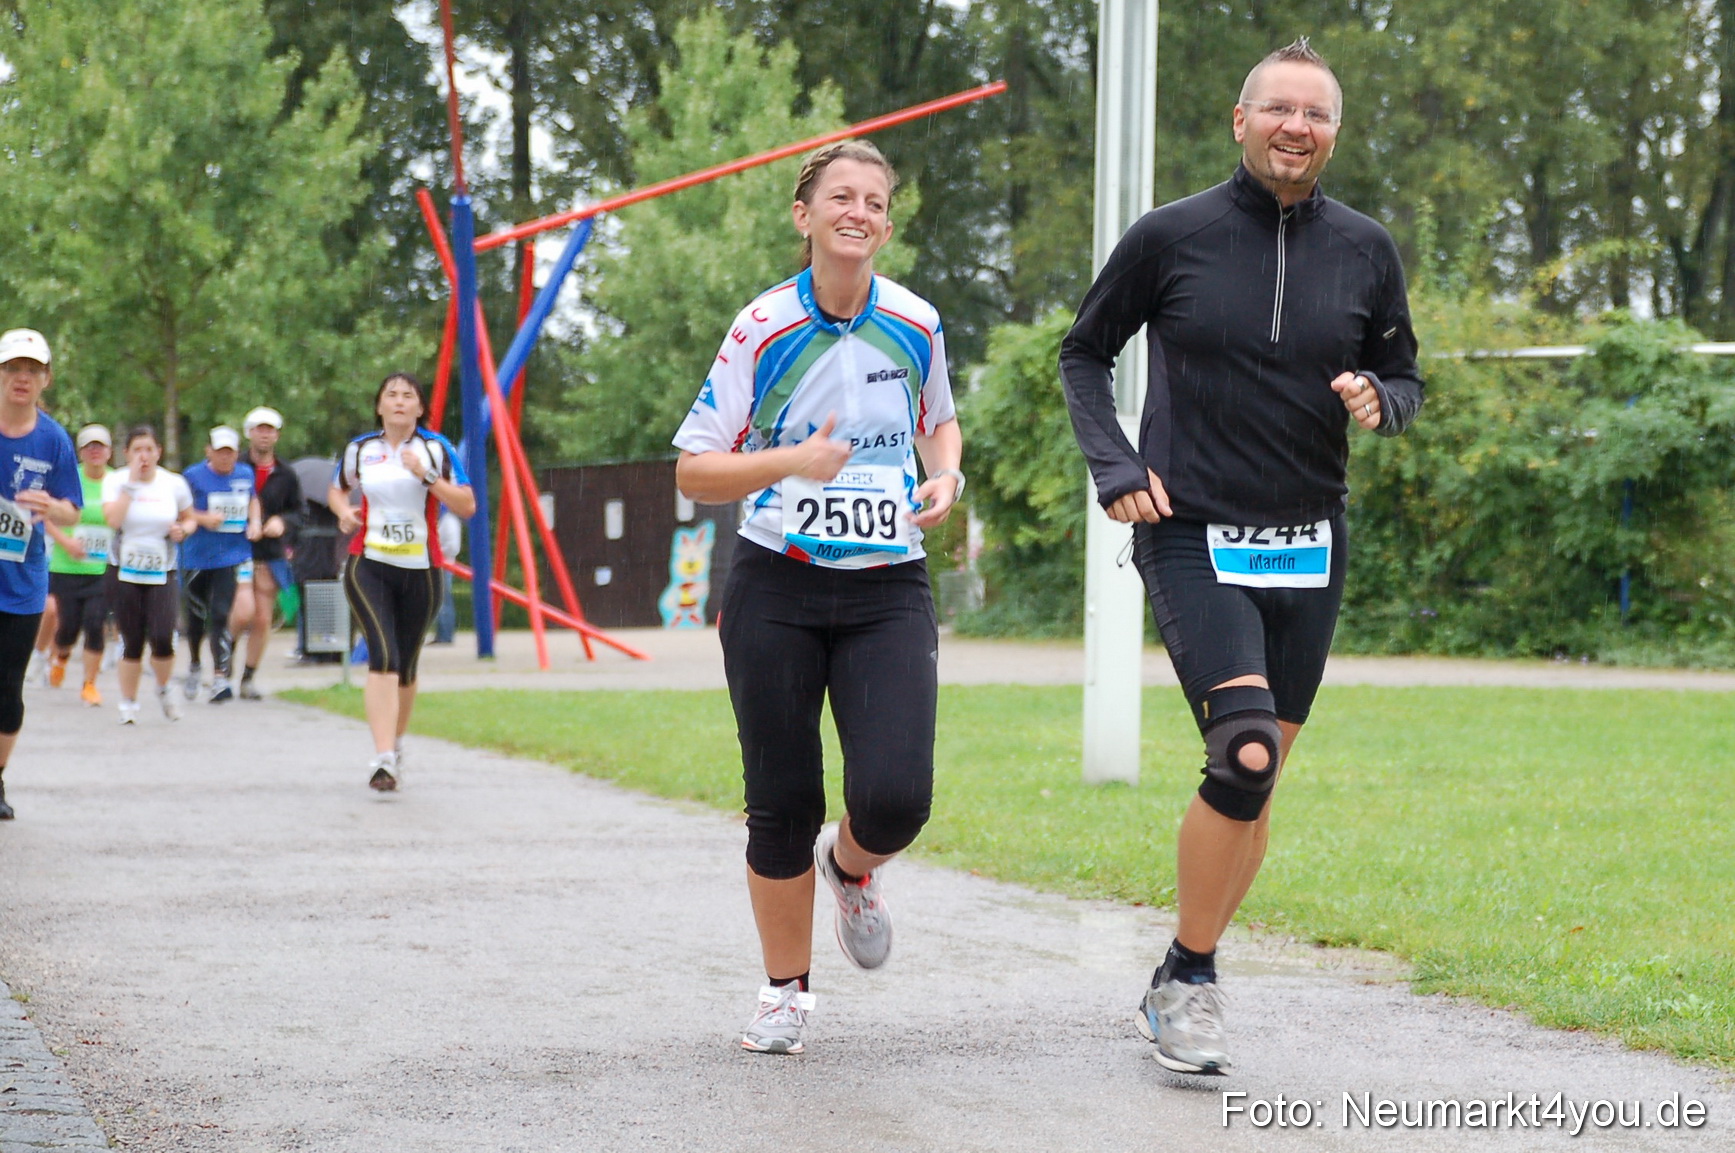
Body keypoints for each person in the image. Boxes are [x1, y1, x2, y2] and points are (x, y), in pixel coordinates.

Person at [1059, 39, 1424, 1075]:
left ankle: (1179, 968)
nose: (1295, 128)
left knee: (1257, 780)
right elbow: (1084, 351)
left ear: (1333, 133)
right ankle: (1195, 982)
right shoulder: (1170, 236)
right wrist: (1114, 463)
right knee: (1246, 749)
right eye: (1279, 109)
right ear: (1240, 118)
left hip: (1310, 534)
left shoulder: (1364, 247)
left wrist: (1379, 401)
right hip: (1187, 526)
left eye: (1315, 114)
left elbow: (1403, 375)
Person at [672, 140, 964, 1055]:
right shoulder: (761, 327)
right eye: (841, 196)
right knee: (781, 801)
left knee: (897, 797)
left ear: (885, 222)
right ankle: (784, 992)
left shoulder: (915, 321)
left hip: (886, 588)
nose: (859, 212)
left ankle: (851, 865)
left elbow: (939, 422)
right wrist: (790, 461)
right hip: (776, 584)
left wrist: (945, 476)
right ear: (805, 216)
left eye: (875, 201)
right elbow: (695, 470)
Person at [328, 373, 474, 791]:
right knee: (384, 655)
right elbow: (337, 489)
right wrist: (342, 510)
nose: (398, 402)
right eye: (390, 395)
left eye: (407, 396)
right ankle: (383, 757)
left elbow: (467, 505)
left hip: (422, 569)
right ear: (379, 406)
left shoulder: (435, 449)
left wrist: (428, 477)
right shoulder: (362, 449)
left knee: (406, 666)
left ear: (419, 408)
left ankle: (396, 743)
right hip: (368, 563)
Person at [0, 329, 85, 820]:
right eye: (14, 368)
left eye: (32, 370)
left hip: (22, 585)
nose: (22, 378)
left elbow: (74, 511)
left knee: (7, 689)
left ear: (45, 379)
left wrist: (51, 505)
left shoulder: (53, 439)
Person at [102, 425, 195, 725]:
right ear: (126, 453)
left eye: (149, 449)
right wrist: (131, 485)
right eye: (137, 450)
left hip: (161, 569)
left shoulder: (174, 484)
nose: (144, 456)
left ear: (159, 452)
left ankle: (164, 687)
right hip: (124, 569)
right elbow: (112, 519)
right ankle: (128, 703)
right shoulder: (115, 481)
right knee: (131, 639)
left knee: (162, 635)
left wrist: (184, 529)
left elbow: (190, 517)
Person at [178, 426, 261, 703]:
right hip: (197, 556)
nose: (226, 458)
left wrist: (256, 522)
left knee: (221, 614)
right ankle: (193, 663)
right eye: (220, 452)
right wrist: (203, 519)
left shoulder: (245, 474)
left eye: (231, 453)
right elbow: (182, 510)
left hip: (231, 554)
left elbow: (252, 501)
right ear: (209, 451)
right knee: (196, 617)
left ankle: (220, 677)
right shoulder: (193, 476)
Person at [42, 424, 116, 706]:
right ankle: (59, 656)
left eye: (100, 446)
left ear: (109, 452)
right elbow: (46, 517)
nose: (95, 452)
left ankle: (90, 684)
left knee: (95, 623)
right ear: (81, 451)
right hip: (67, 565)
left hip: (102, 568)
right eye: (89, 447)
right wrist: (66, 542)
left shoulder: (116, 482)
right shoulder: (67, 479)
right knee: (67, 628)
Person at [235, 406, 303, 698]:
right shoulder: (234, 466)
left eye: (270, 429)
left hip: (270, 553)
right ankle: (221, 666)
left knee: (262, 618)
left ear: (276, 435)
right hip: (235, 551)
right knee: (240, 613)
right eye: (259, 429)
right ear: (249, 433)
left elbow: (301, 513)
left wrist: (282, 522)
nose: (264, 435)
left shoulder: (286, 474)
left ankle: (248, 677)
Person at [429, 509, 460, 645]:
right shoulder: (440, 518)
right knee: (440, 600)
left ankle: (445, 635)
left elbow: (453, 547)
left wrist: (434, 552)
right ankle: (442, 635)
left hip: (444, 564)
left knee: (444, 600)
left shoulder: (449, 520)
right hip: (436, 562)